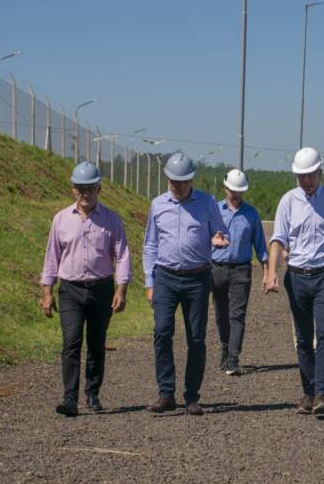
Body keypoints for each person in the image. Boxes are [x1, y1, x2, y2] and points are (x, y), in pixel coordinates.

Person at [264, 147, 324, 415]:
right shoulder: (288, 201)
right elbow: (278, 239)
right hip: (296, 277)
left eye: (310, 175)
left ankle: (322, 395)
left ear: (320, 172)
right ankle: (308, 392)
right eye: (301, 176)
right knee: (303, 338)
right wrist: (271, 273)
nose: (305, 180)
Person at [41, 162, 132, 417]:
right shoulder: (60, 220)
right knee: (71, 341)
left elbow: (122, 255)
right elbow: (51, 257)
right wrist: (47, 292)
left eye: (90, 189)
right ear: (73, 190)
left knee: (95, 342)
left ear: (99, 189)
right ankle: (69, 398)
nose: (85, 194)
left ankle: (92, 392)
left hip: (101, 289)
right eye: (80, 189)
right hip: (70, 289)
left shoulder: (111, 220)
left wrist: (121, 289)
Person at [143, 153, 229, 416]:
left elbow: (222, 231)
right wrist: (150, 281)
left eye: (183, 181)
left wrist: (219, 239)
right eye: (173, 181)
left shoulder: (207, 203)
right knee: (162, 331)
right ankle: (166, 393)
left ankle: (192, 396)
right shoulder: (158, 205)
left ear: (191, 179)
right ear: (167, 179)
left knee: (196, 337)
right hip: (166, 277)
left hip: (198, 278)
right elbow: (150, 244)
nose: (178, 186)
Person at [211, 169, 269, 376]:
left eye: (239, 191)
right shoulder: (214, 210)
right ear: (225, 188)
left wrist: (267, 272)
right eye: (232, 190)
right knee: (220, 314)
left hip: (241, 270)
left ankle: (234, 358)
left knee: (238, 314)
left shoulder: (251, 214)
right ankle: (225, 348)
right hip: (216, 268)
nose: (235, 194)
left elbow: (260, 246)